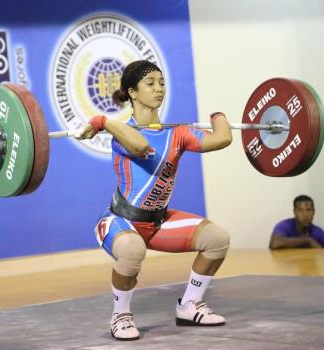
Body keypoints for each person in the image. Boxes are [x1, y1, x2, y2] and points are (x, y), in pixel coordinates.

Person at [76, 60, 233, 341]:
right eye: (150, 83)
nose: (159, 88)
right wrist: (102, 122)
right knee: (133, 251)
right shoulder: (122, 132)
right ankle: (120, 315)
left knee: (218, 239)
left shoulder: (178, 133)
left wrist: (218, 115)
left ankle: (189, 304)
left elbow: (222, 139)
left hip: (158, 222)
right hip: (120, 221)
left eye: (161, 82)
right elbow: (140, 145)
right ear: (132, 93)